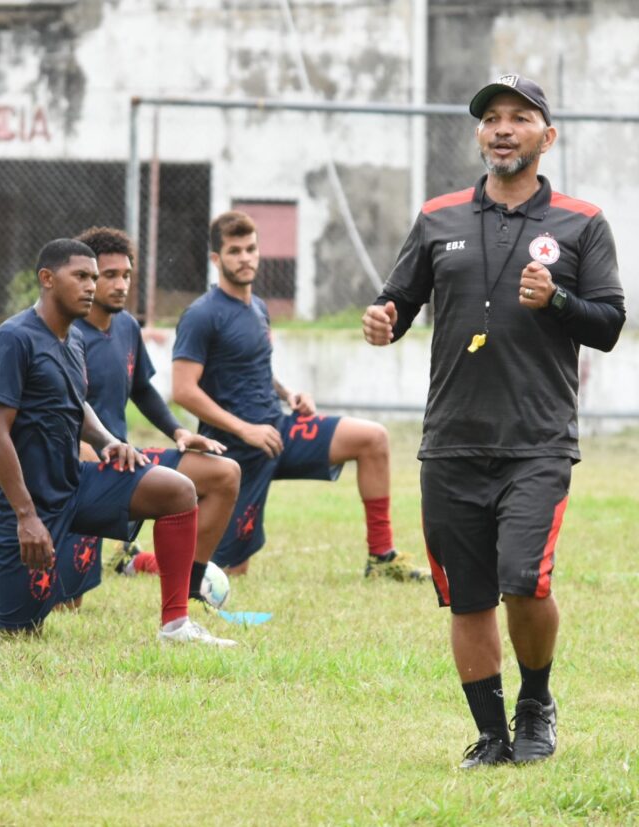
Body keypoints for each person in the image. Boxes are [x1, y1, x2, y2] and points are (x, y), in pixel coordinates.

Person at [362, 74, 625, 768]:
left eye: (520, 117)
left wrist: (558, 300)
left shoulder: (582, 221)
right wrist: (383, 318)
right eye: (491, 119)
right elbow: (398, 299)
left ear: (547, 135)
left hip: (537, 439)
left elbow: (609, 324)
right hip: (450, 439)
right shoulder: (439, 216)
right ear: (480, 135)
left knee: (523, 580)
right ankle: (491, 734)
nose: (503, 128)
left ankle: (535, 700)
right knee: (468, 596)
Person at [0, 238, 235, 646]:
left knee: (177, 490)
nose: (91, 286)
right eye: (81, 276)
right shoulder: (13, 339)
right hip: (19, 504)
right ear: (47, 279)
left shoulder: (74, 339)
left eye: (94, 278)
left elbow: (75, 402)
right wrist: (27, 518)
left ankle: (175, 626)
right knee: (17, 631)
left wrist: (106, 441)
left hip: (72, 483)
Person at [172, 210, 428, 580]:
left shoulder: (257, 307)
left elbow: (254, 366)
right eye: (234, 251)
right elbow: (183, 390)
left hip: (278, 430)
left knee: (372, 438)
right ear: (216, 259)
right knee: (224, 571)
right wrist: (245, 430)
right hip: (237, 452)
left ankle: (381, 559)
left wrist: (290, 394)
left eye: (251, 249)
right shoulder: (201, 315)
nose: (245, 258)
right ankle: (139, 562)